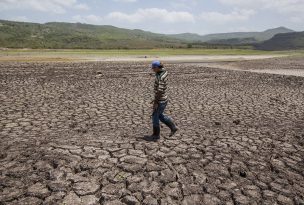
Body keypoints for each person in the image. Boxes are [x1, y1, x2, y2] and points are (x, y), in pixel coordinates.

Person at [148, 60, 178, 141]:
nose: (152, 69)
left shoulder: (161, 77)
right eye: (152, 67)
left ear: (158, 67)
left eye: (153, 68)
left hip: (161, 100)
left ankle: (156, 135)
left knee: (155, 116)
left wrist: (156, 102)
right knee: (160, 115)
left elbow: (160, 90)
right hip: (164, 99)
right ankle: (173, 127)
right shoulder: (164, 71)